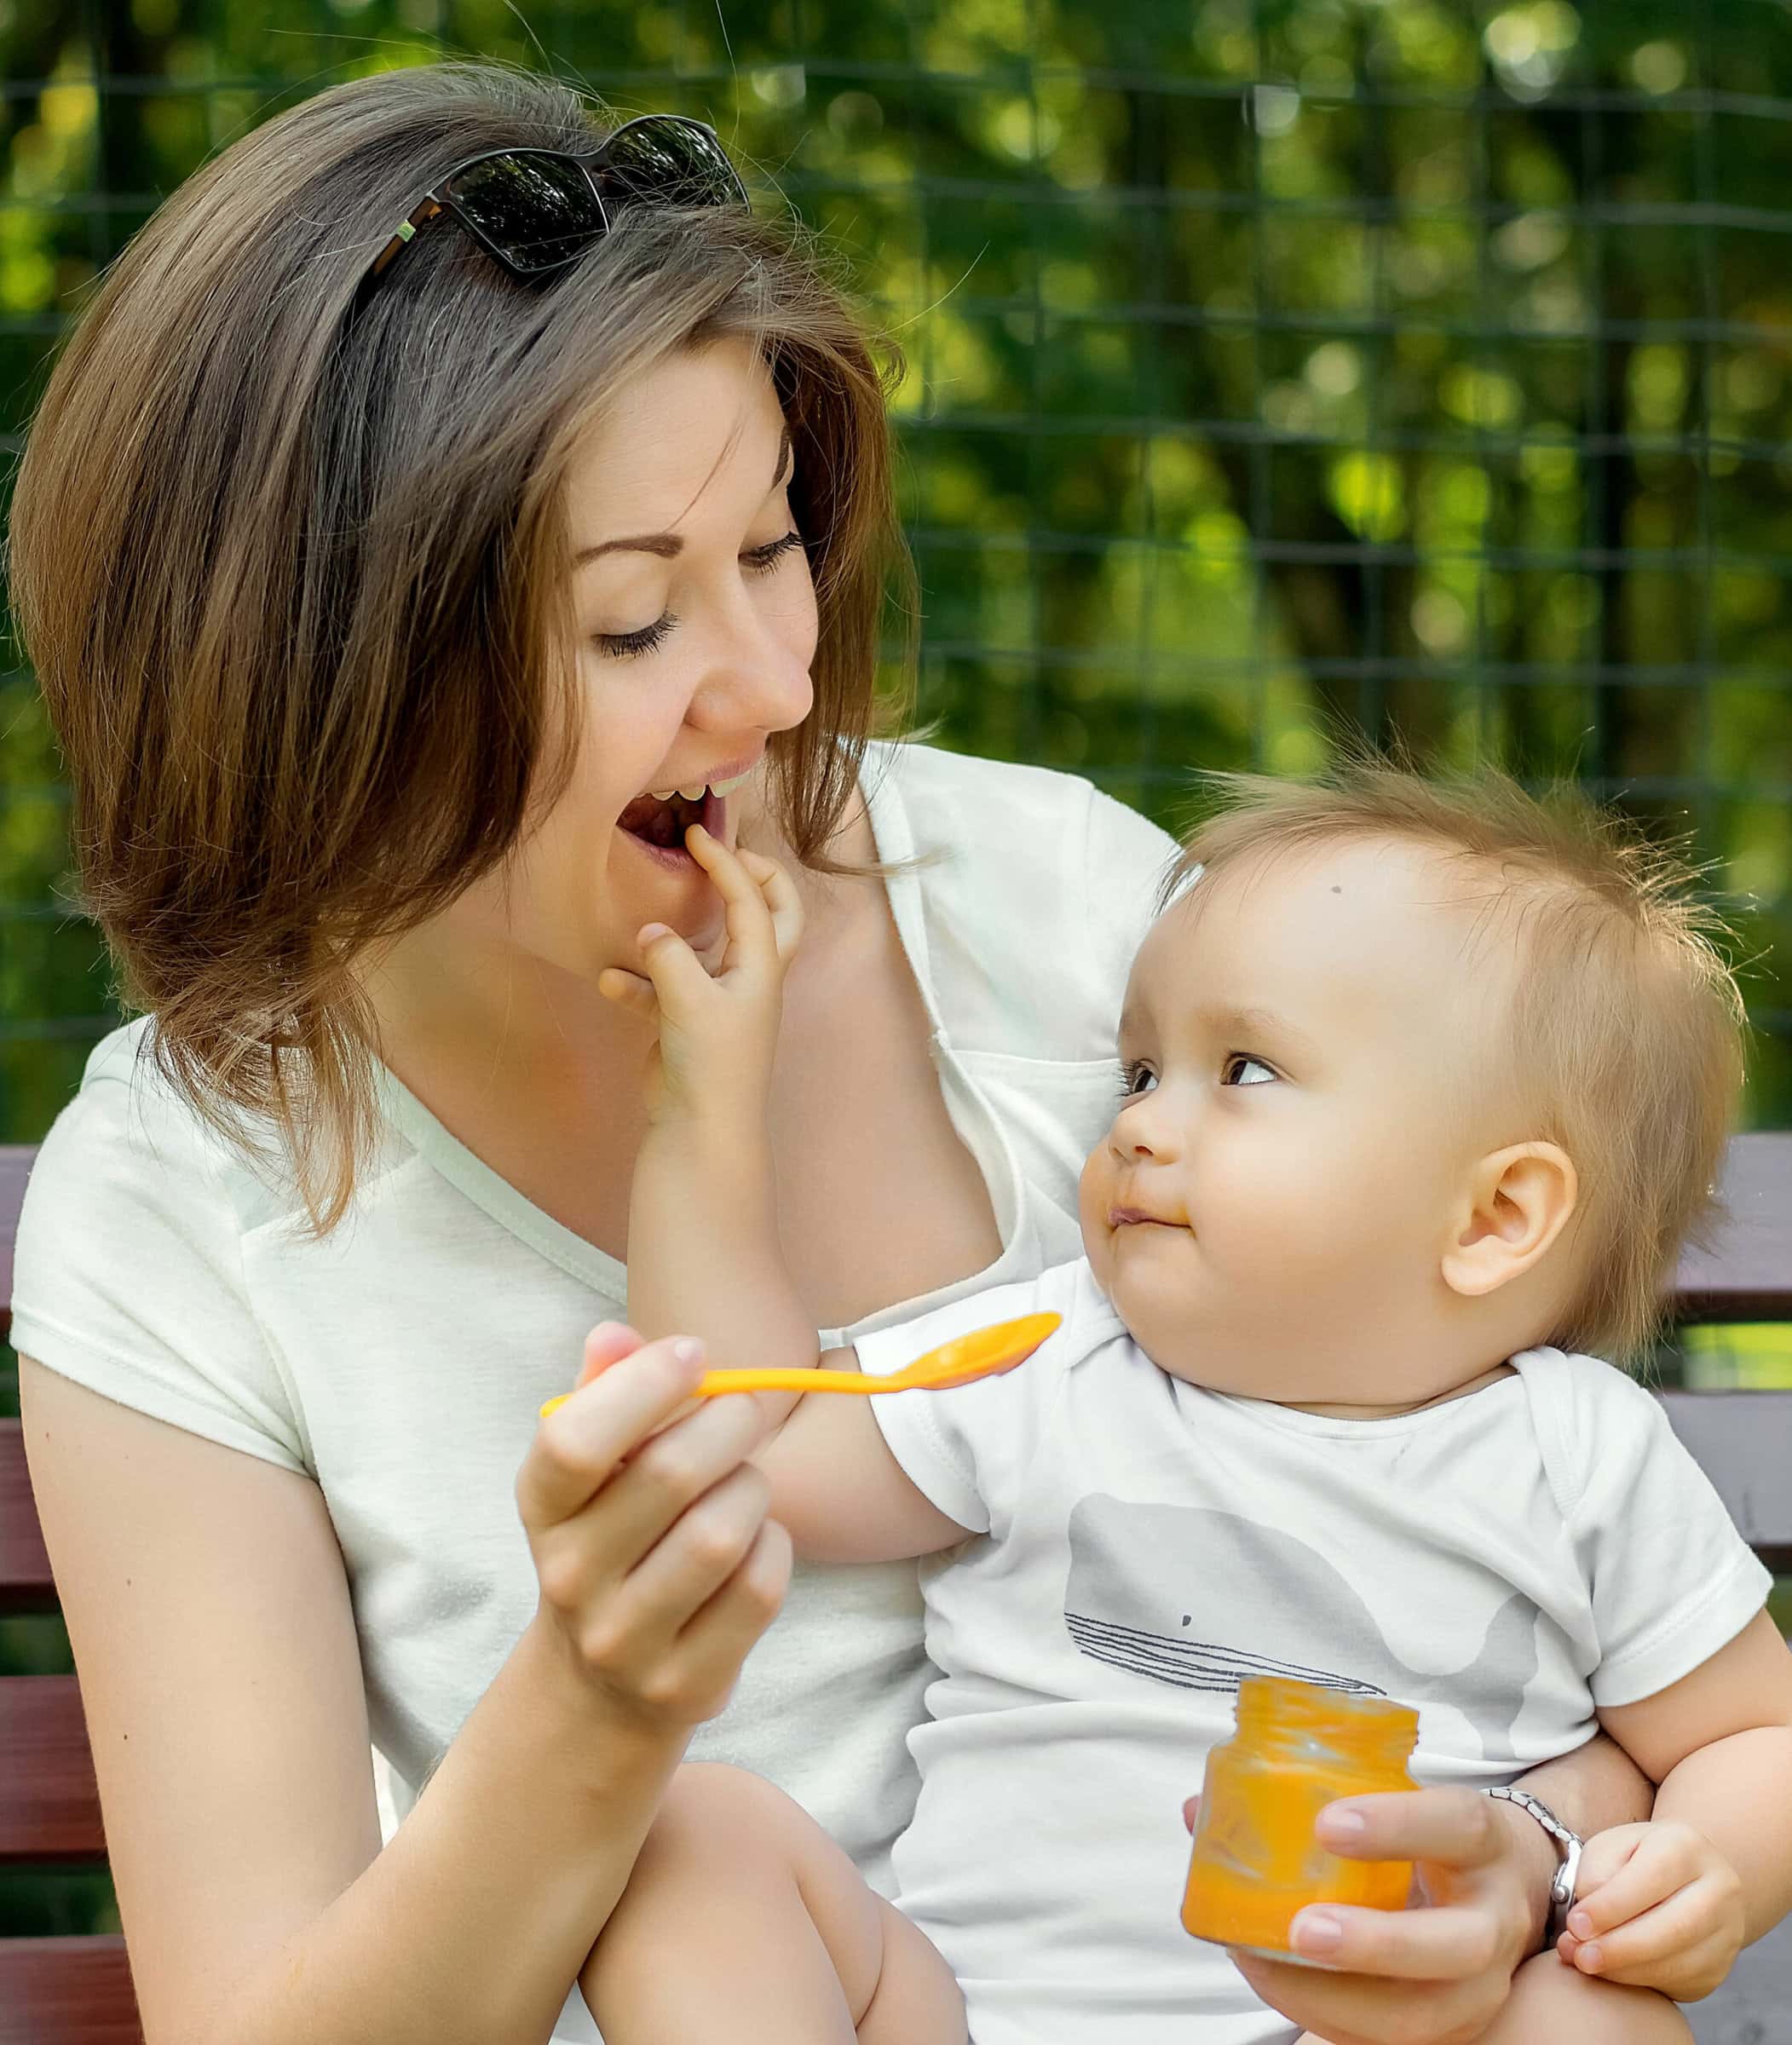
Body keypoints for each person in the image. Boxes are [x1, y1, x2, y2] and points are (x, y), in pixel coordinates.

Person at [5, 60, 1657, 2045]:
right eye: (631, 625)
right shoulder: (189, 1201)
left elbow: (1536, 1573)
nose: (775, 686)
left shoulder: (1082, 930)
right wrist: (592, 1712)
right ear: (325, 670)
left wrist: (1531, 1859)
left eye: (773, 551)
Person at [573, 762, 1792, 2045]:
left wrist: (1705, 1870)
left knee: (1588, 2022)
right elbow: (756, 1449)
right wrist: (702, 1122)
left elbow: (1755, 1736)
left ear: (1493, 1218)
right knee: (691, 1840)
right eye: (1142, 1071)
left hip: (1377, 2027)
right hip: (973, 2021)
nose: (1143, 1127)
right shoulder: (1052, 1357)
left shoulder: (1577, 1457)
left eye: (1246, 1070)